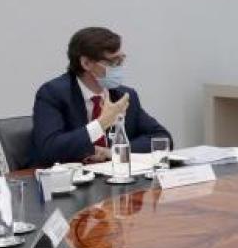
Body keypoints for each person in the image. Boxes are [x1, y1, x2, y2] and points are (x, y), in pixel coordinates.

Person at [30, 26, 171, 166]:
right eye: (113, 62)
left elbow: (162, 139)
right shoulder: (53, 94)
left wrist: (113, 152)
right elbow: (48, 149)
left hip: (114, 175)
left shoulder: (123, 96)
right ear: (86, 63)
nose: (118, 67)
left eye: (121, 61)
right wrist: (101, 124)